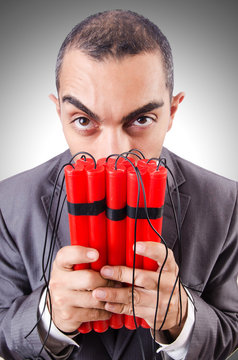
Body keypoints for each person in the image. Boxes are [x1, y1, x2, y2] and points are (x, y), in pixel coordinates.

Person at [0, 9, 237, 360]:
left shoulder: (227, 201)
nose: (112, 154)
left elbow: (231, 328)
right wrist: (49, 317)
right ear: (59, 114)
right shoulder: (8, 202)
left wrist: (181, 318)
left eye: (141, 119)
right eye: (83, 120)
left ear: (172, 112)